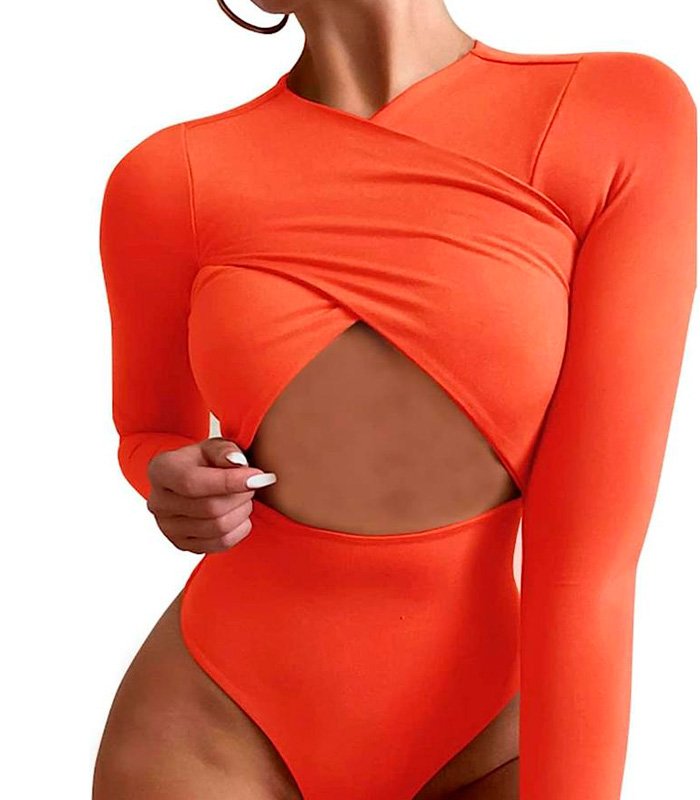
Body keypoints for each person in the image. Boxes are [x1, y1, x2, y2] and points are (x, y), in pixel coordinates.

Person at [92, 1, 697, 798]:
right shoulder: (168, 178)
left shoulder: (614, 115)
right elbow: (148, 431)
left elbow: (589, 570)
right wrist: (167, 477)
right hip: (216, 722)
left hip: (493, 739)